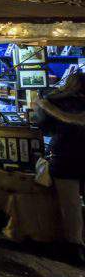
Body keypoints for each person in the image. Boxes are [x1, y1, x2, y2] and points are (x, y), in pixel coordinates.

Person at [33, 72, 85, 266]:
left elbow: (44, 128)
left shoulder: (56, 101)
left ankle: (73, 247)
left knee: (70, 205)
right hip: (73, 156)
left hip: (65, 156)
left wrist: (45, 107)